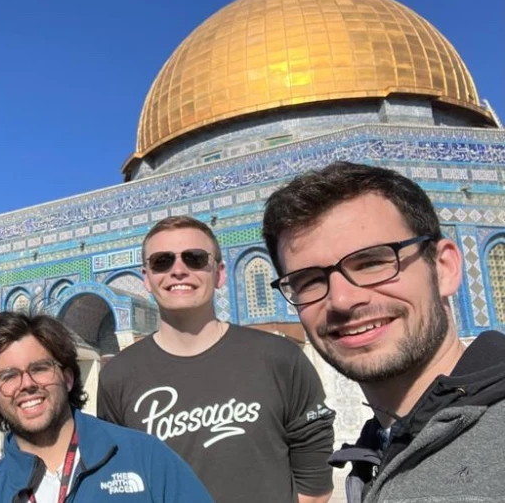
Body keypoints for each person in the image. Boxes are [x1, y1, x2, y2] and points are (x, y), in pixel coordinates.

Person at [262, 161, 505, 502]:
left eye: (373, 262)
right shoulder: (377, 450)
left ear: (445, 268)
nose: (343, 299)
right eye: (310, 281)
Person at [97, 215, 335, 503]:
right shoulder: (118, 376)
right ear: (146, 278)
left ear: (220, 273)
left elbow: (314, 478)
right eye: (162, 261)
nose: (179, 270)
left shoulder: (278, 358)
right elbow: (121, 478)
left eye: (195, 258)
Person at [0, 312, 213, 503]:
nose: (27, 384)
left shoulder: (145, 458)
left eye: (40, 368)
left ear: (68, 378)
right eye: (8, 376)